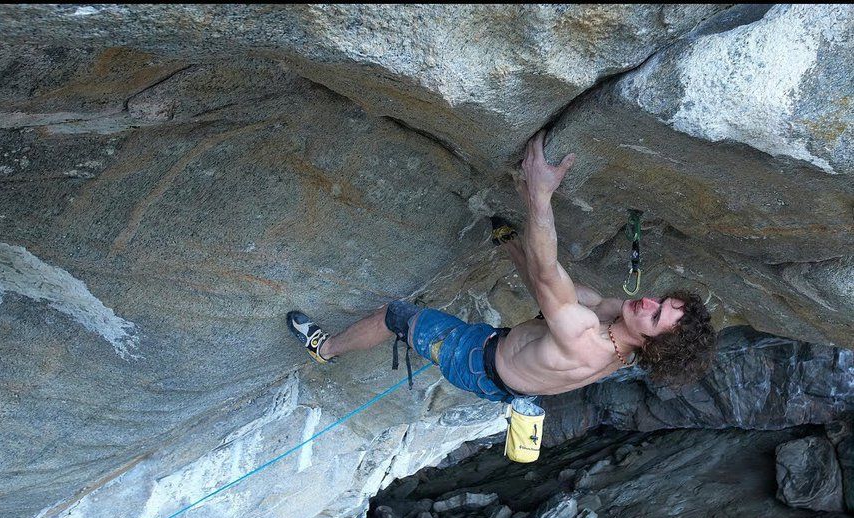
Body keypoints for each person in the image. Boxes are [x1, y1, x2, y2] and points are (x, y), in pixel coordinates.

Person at [287, 131, 716, 403]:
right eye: (662, 301)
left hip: (474, 359)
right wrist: (523, 247)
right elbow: (557, 291)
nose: (648, 301)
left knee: (396, 315)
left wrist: (539, 195)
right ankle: (506, 241)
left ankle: (324, 350)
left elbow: (549, 276)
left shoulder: (588, 337)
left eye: (656, 315)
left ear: (653, 343)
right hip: (512, 373)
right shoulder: (625, 339)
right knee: (564, 298)